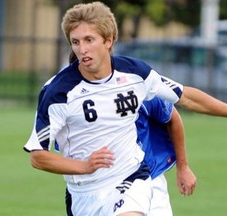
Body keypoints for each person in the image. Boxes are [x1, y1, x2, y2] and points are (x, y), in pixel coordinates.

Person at [24, 2, 227, 215]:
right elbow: (38, 157)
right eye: (75, 42)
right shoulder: (58, 93)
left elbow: (186, 98)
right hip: (84, 194)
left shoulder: (135, 74)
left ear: (109, 40)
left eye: (89, 40)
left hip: (130, 177)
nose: (82, 49)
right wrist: (85, 166)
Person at [64, 97, 196, 216]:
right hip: (97, 186)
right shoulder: (74, 99)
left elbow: (173, 117)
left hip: (148, 177)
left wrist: (183, 166)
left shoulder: (139, 83)